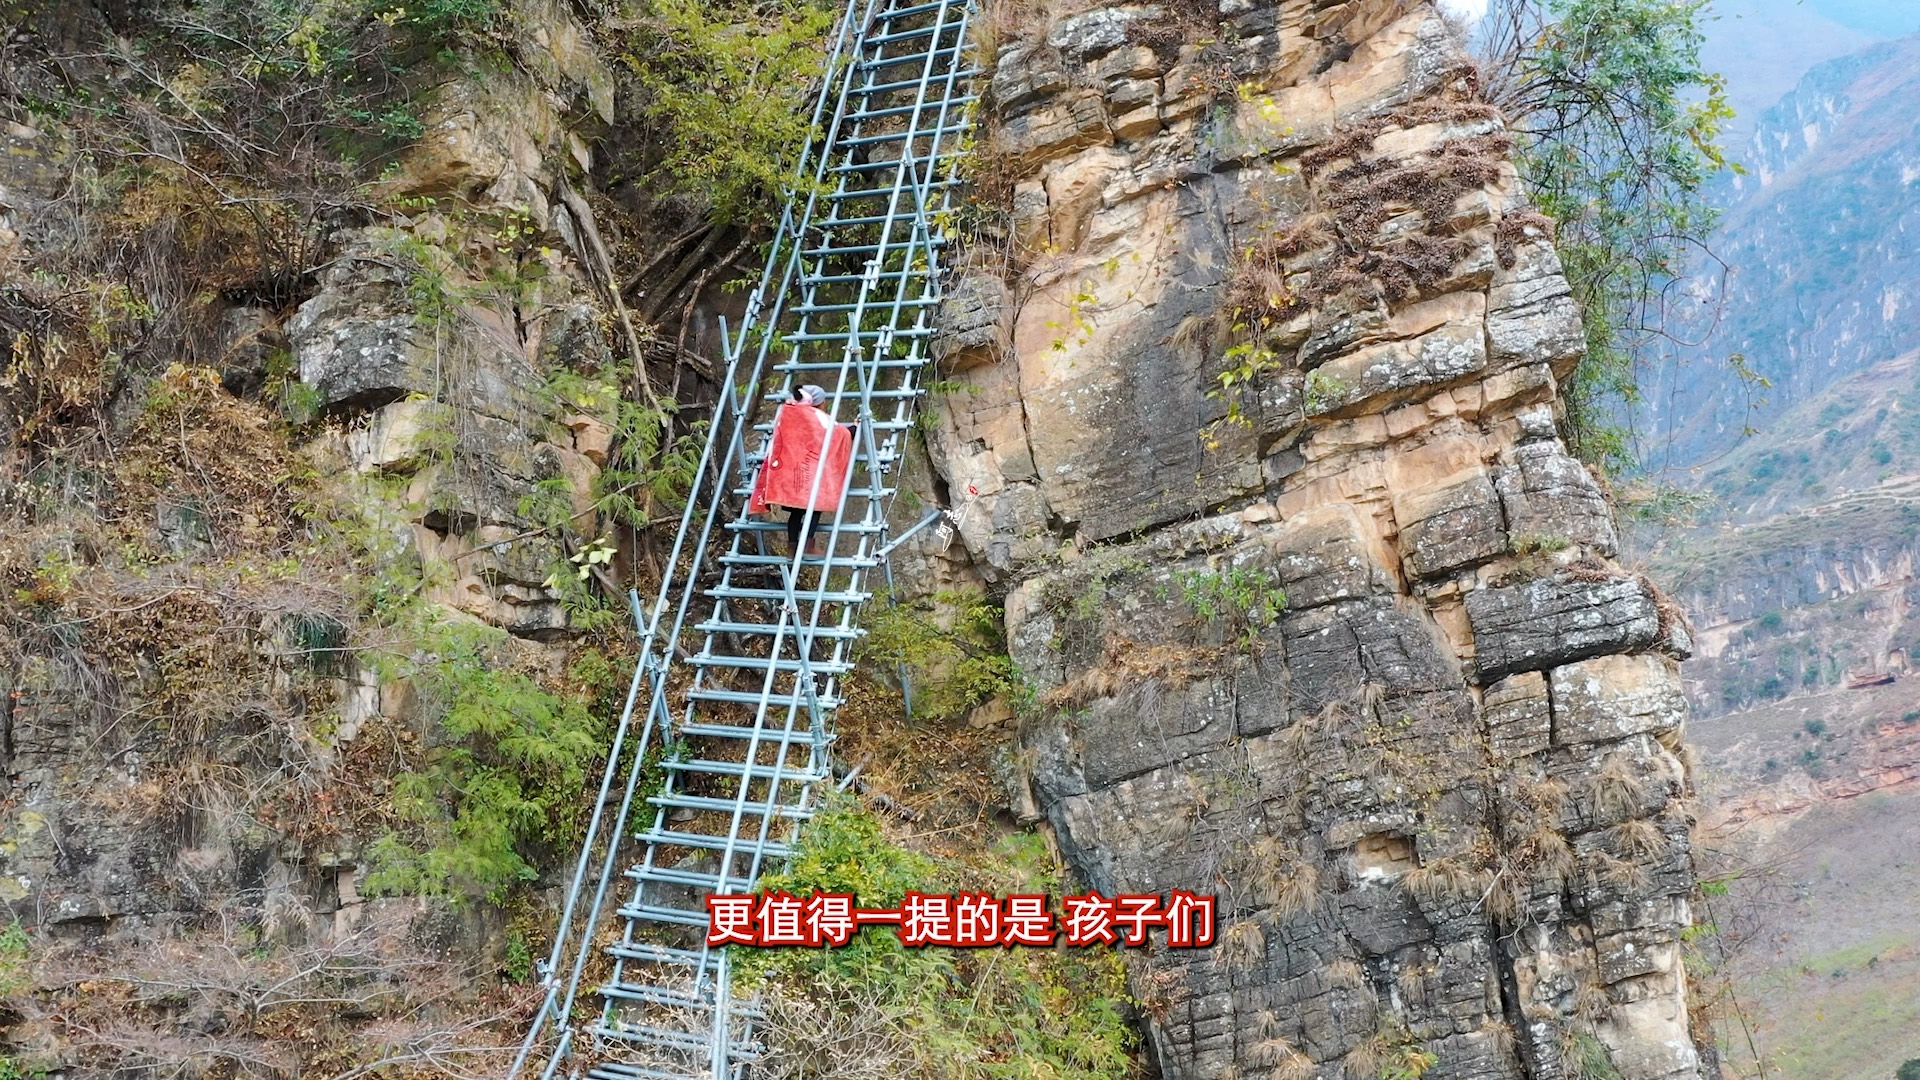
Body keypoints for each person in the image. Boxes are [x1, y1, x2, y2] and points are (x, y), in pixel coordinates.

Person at [747, 384, 854, 558]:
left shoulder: (788, 414)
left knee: (796, 512)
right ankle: (808, 544)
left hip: (792, 473)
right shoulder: (817, 417)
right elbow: (838, 434)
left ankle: (792, 547)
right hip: (809, 474)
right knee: (814, 508)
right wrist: (854, 428)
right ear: (818, 403)